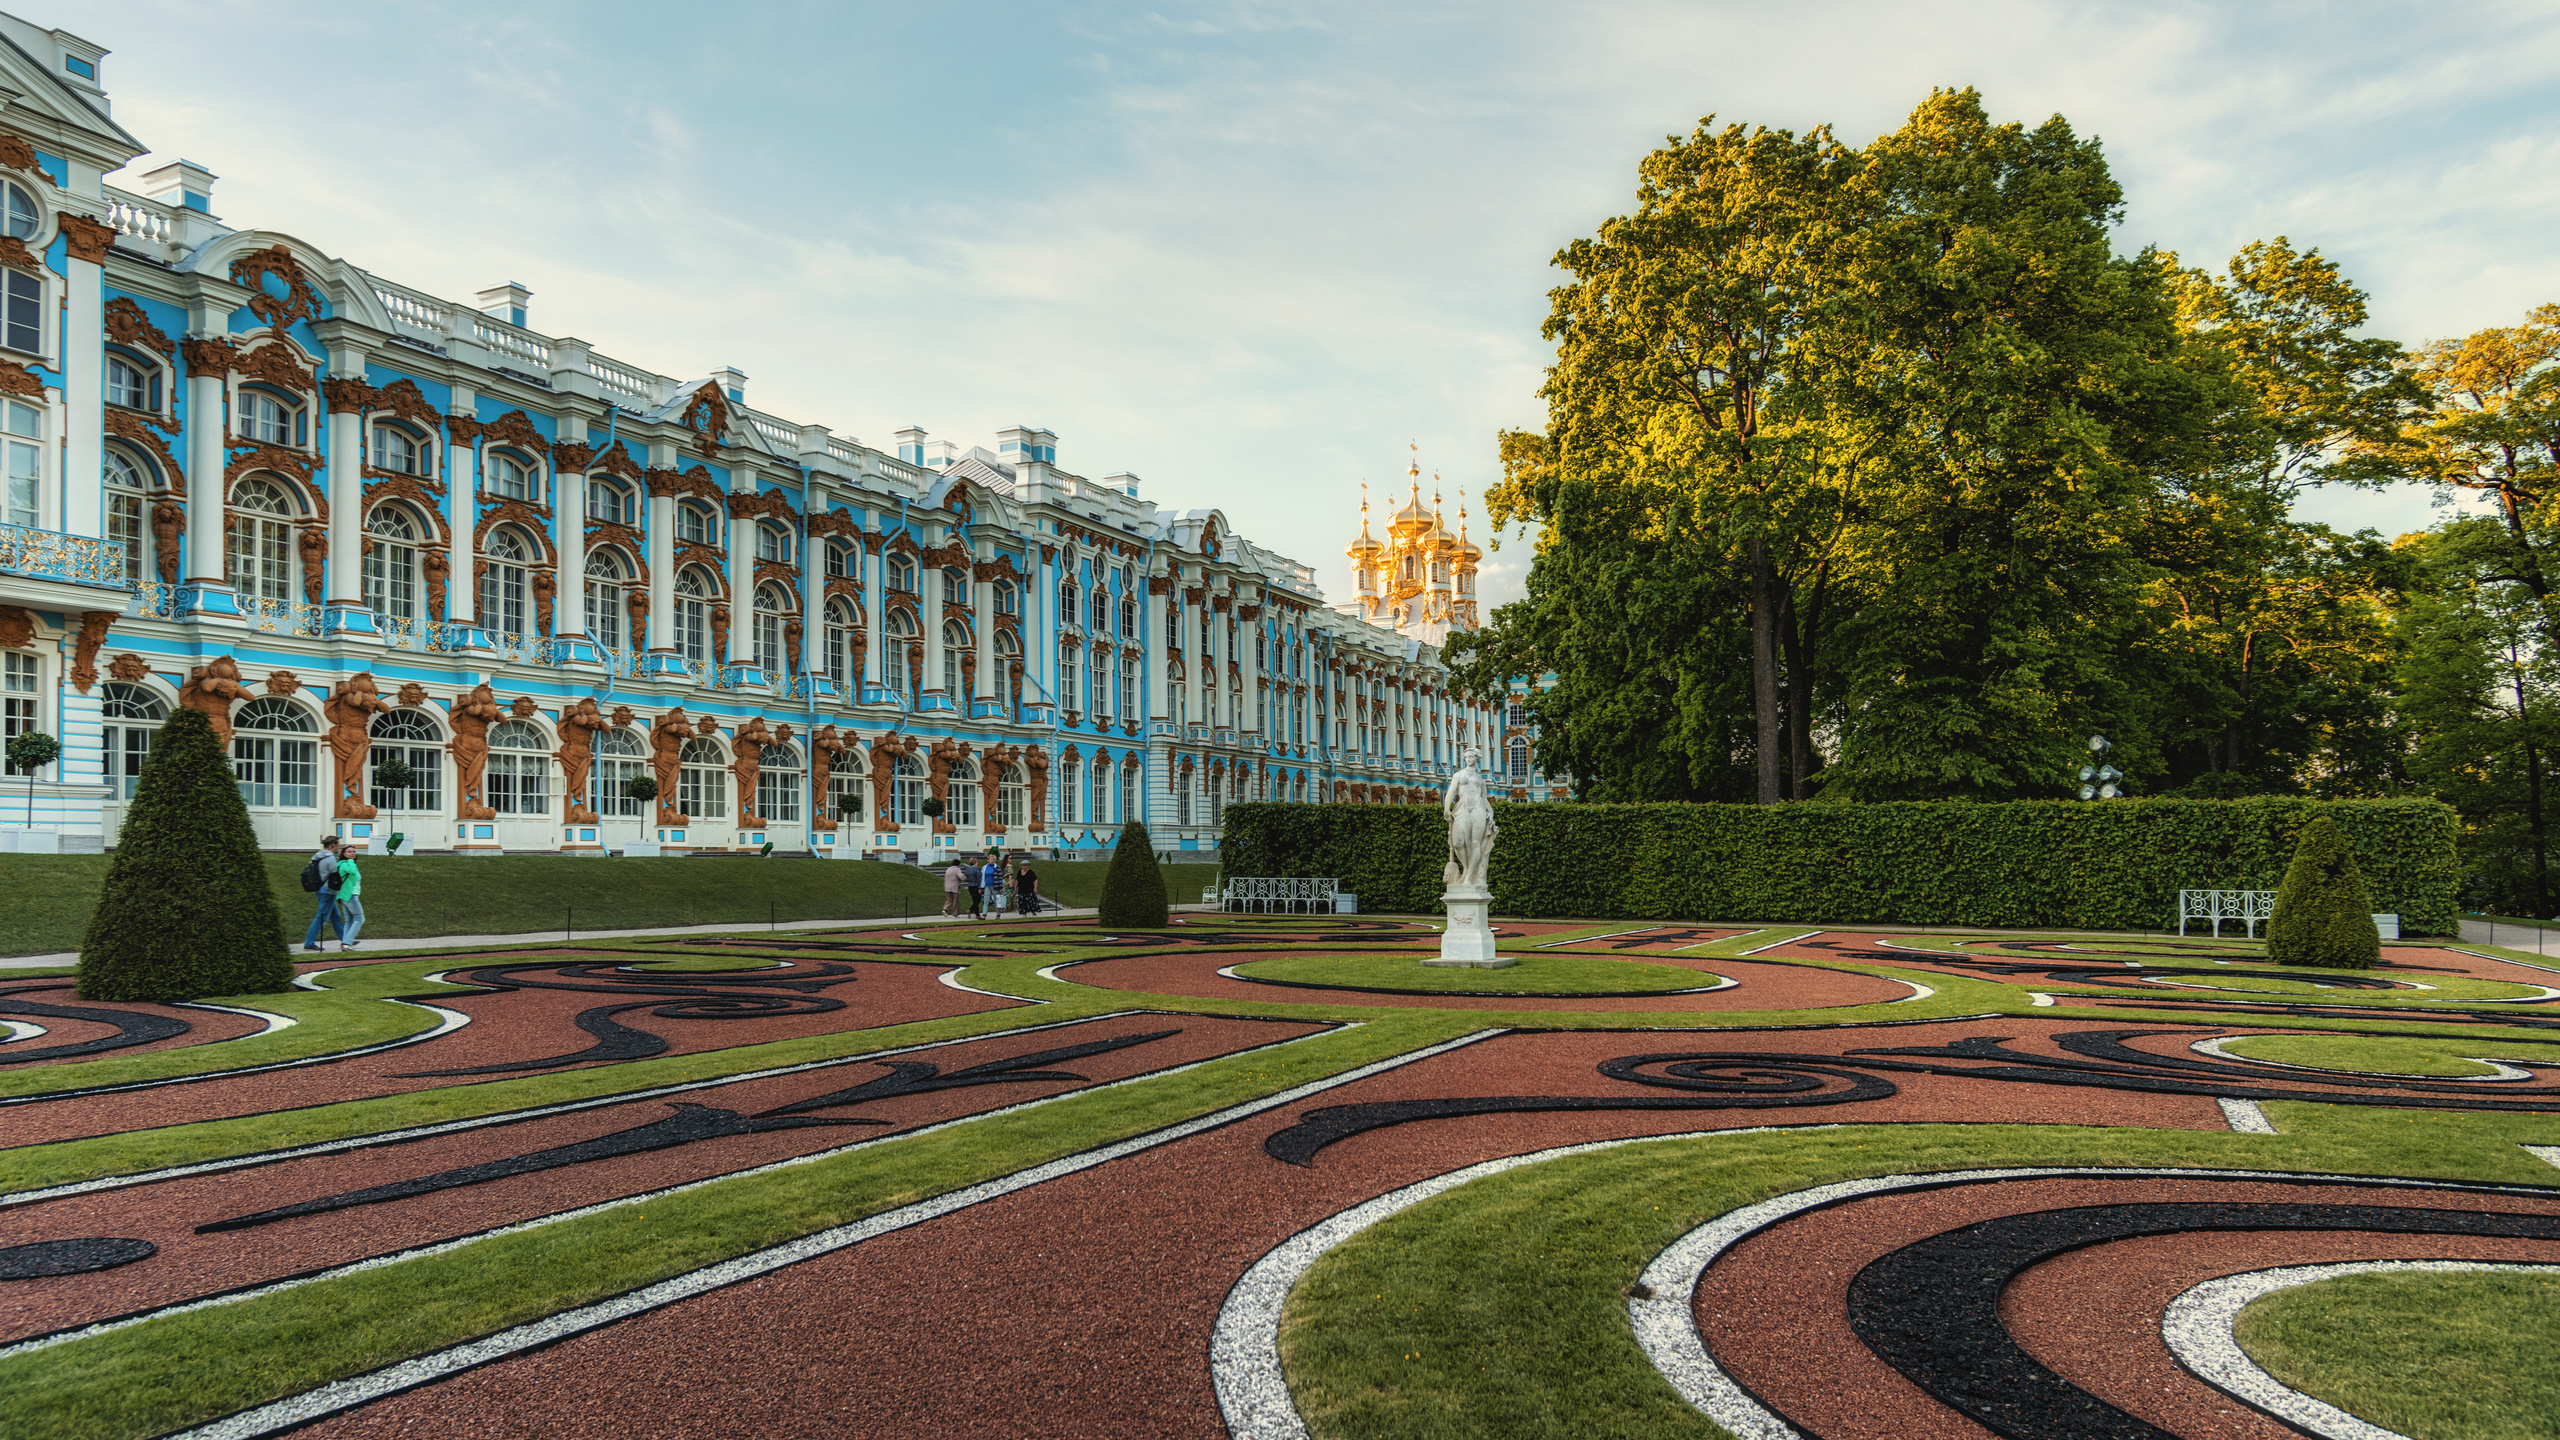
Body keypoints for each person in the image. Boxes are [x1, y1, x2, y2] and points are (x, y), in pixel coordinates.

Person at [301, 835, 344, 953]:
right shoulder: (331, 858)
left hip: (319, 890)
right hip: (328, 891)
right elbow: (337, 873)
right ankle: (309, 942)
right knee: (321, 917)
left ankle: (345, 939)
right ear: (332, 846)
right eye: (338, 846)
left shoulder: (316, 857)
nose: (338, 848)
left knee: (335, 916)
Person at [333, 846, 367, 948]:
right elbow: (351, 871)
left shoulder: (347, 864)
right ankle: (347, 943)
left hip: (346, 895)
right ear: (343, 854)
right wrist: (351, 861)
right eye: (349, 852)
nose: (352, 853)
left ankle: (345, 942)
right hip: (350, 895)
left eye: (354, 851)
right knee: (360, 919)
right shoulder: (345, 864)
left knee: (349, 921)